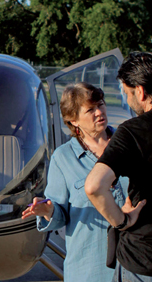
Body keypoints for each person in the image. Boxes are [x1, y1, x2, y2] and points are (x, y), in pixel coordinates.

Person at [85, 51, 152, 282]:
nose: (127, 100)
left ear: (141, 91)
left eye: (127, 93)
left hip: (145, 262)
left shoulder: (133, 131)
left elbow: (94, 186)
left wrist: (122, 221)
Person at [22, 82, 128, 282]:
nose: (99, 112)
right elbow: (60, 216)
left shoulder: (128, 143)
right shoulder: (63, 158)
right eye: (90, 109)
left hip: (135, 267)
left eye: (101, 104)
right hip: (89, 270)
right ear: (73, 120)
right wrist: (48, 211)